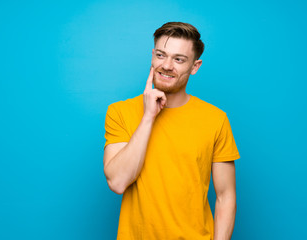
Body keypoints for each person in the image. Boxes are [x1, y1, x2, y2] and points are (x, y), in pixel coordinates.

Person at [103, 22, 240, 240]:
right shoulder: (119, 112)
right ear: (152, 56)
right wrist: (148, 116)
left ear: (195, 67)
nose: (167, 65)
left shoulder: (216, 119)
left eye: (178, 59)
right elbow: (118, 182)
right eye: (161, 55)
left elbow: (225, 196)